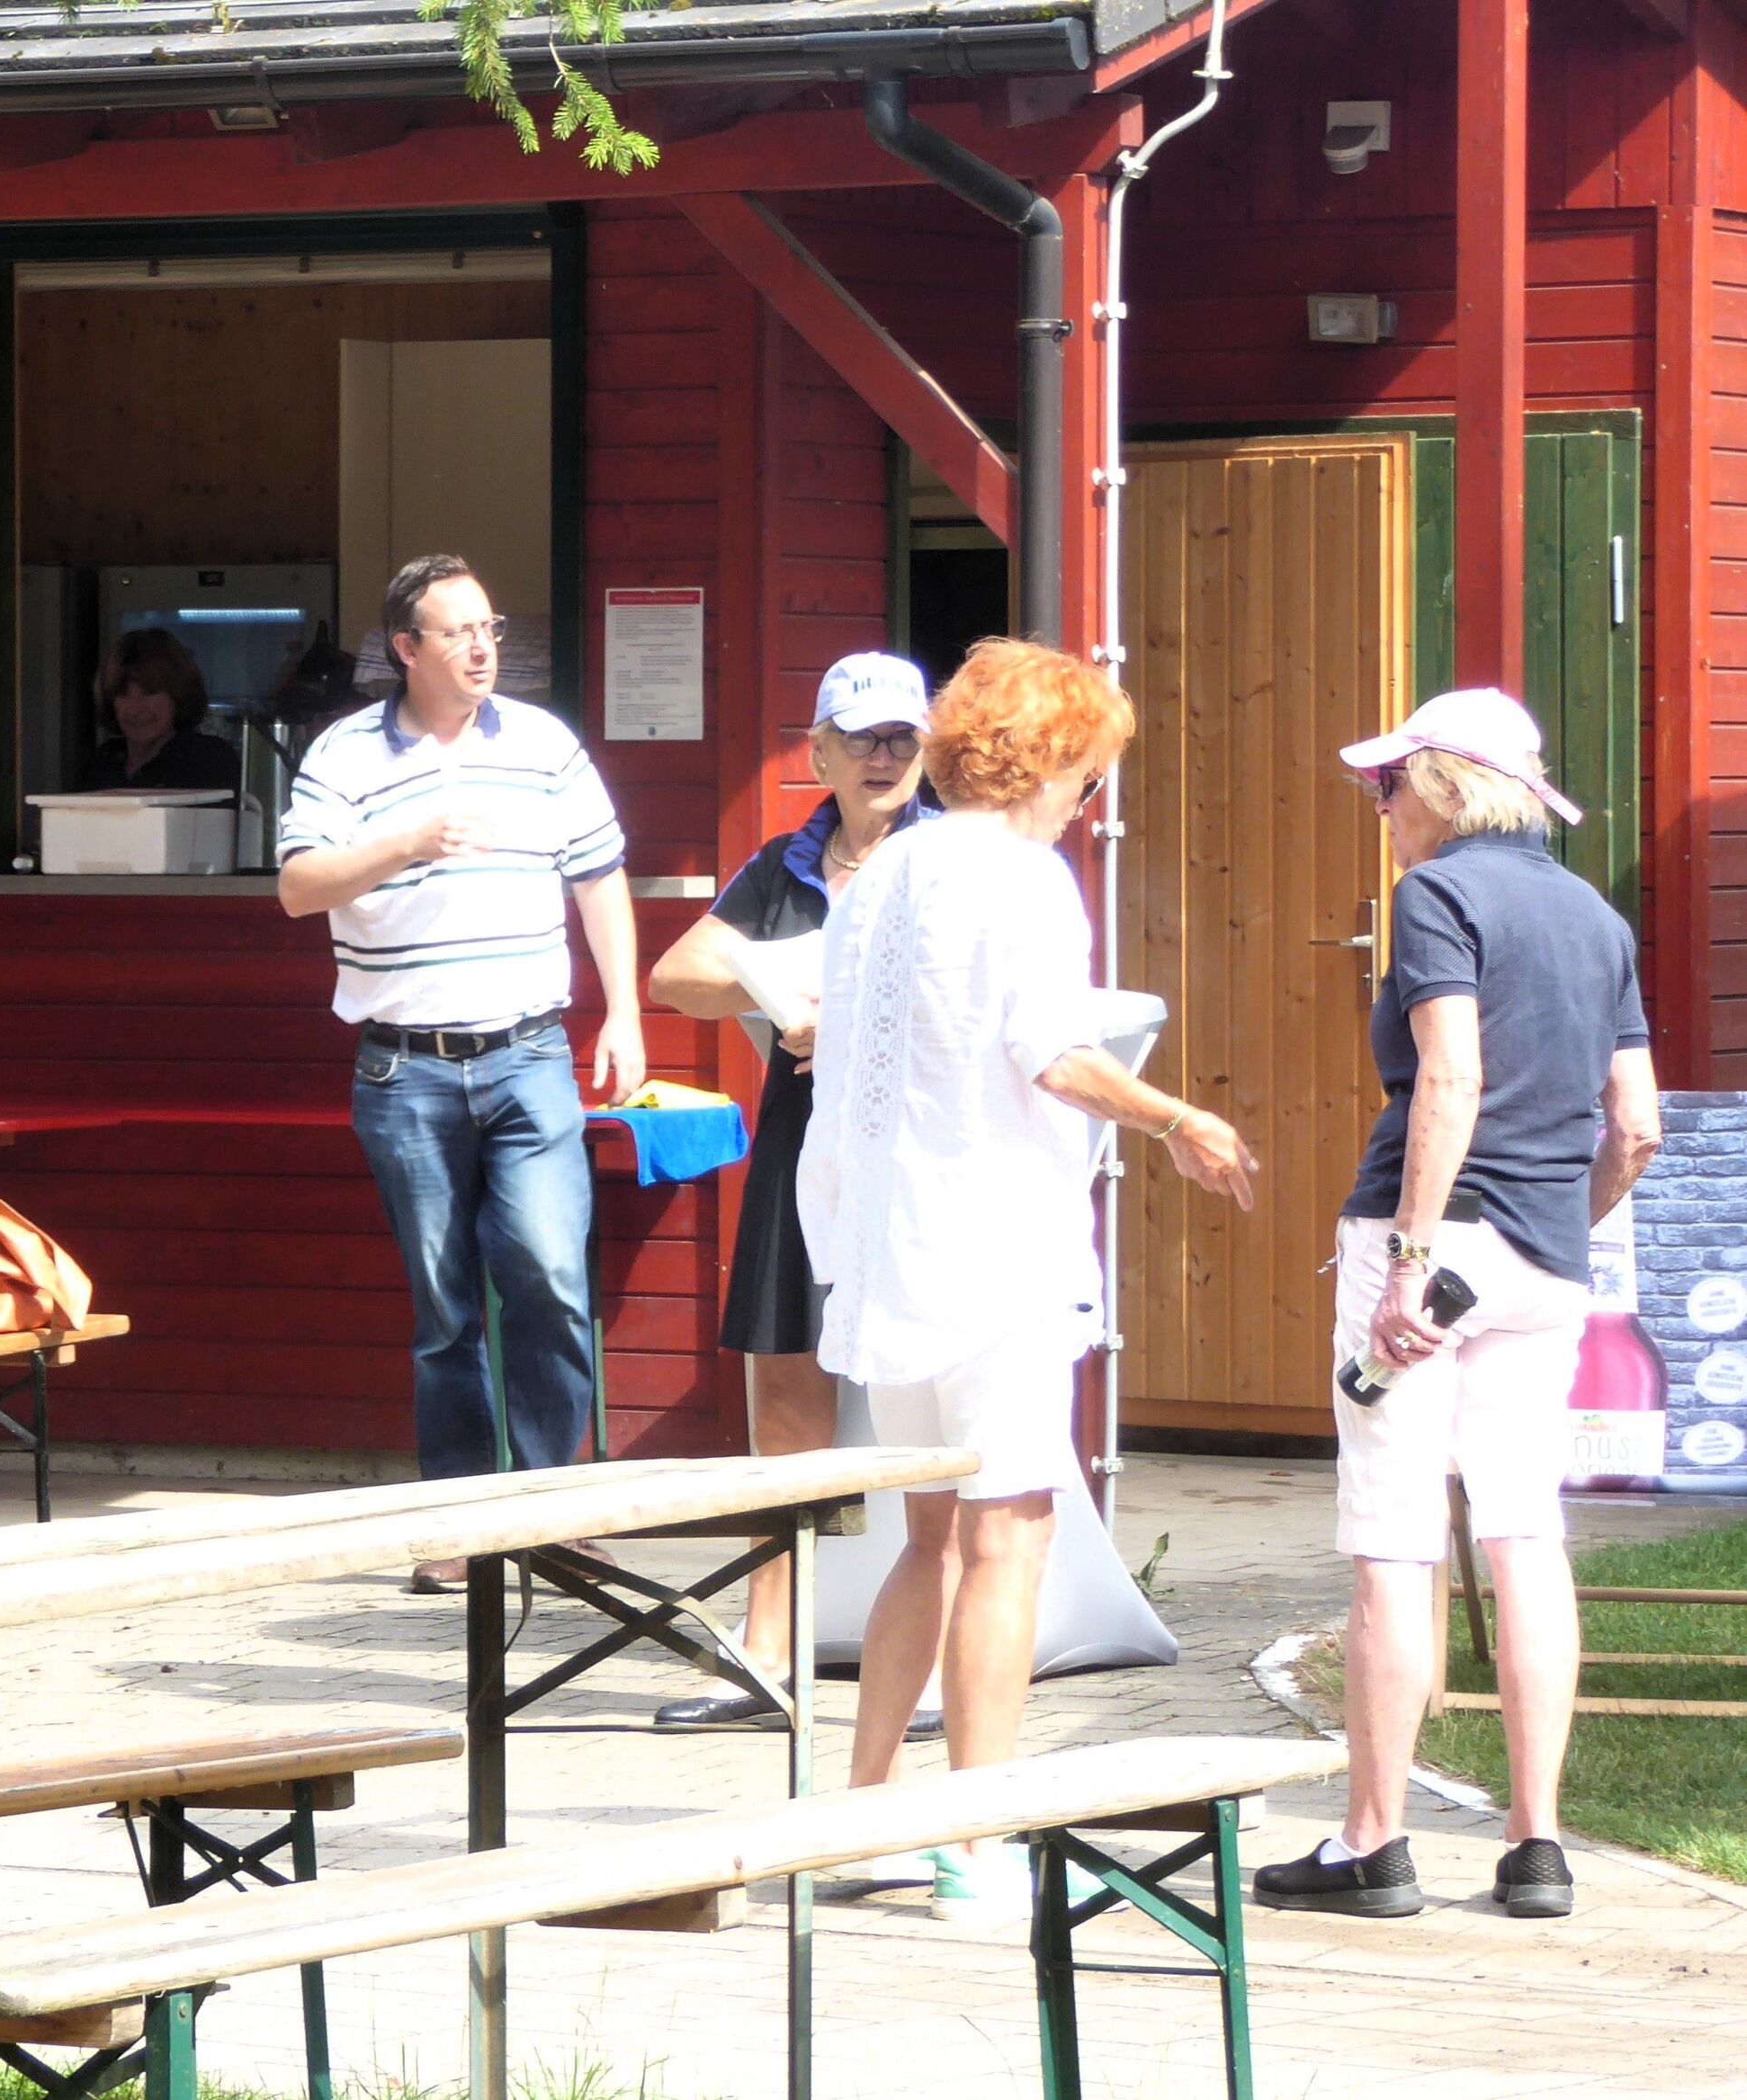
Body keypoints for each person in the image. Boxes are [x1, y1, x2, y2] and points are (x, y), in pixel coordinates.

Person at [802, 639, 1257, 1925]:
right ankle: (975, 1841)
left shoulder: (883, 871)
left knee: (927, 1540)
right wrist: (1178, 1117)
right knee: (1009, 1539)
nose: (1087, 800)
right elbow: (1050, 1051)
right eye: (1088, 775)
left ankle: (867, 1814)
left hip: (884, 1254)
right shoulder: (1022, 875)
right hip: (991, 1253)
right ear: (1046, 763)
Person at [1253, 689, 1658, 1925]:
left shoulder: (1435, 894)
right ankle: (1536, 1843)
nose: (1378, 806)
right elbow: (1635, 1125)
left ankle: (1373, 1842)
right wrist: (1557, 1227)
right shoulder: (1595, 916)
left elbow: (1451, 1075)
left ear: (1442, 782)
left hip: (1427, 1241)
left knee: (1393, 1538)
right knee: (1524, 1531)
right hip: (1544, 1258)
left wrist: (1412, 1259)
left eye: (1387, 784)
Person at [279, 554, 643, 1591]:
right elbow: (298, 887)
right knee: (443, 1309)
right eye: (459, 632)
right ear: (406, 648)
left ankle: (550, 1510)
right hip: (406, 1069)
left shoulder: (542, 744)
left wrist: (623, 1013)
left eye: (490, 628)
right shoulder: (344, 754)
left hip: (530, 1054)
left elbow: (599, 876)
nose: (483, 648)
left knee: (550, 1276)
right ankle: (458, 1524)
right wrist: (406, 842)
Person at [644, 652, 940, 1733]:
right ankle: (764, 1652)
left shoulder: (951, 854)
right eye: (860, 738)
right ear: (817, 752)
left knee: (925, 1399)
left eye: (900, 737)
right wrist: (784, 987)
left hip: (919, 1152)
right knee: (784, 1399)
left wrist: (851, 1013)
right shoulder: (784, 863)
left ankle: (930, 1655)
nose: (881, 756)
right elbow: (675, 974)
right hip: (798, 1138)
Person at [80, 628, 242, 791]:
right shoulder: (102, 762)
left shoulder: (208, 759)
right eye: (122, 694)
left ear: (179, 694)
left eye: (149, 692)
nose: (134, 709)